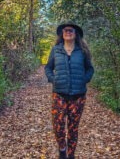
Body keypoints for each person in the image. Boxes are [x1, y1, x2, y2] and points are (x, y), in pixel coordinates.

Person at [44, 22, 94, 159]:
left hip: (78, 96)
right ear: (62, 33)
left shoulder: (82, 51)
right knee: (58, 126)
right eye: (65, 30)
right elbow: (48, 68)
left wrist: (85, 79)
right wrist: (53, 79)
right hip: (59, 94)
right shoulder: (56, 50)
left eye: (71, 30)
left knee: (73, 128)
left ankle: (70, 155)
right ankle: (62, 148)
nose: (68, 32)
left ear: (75, 33)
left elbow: (90, 68)